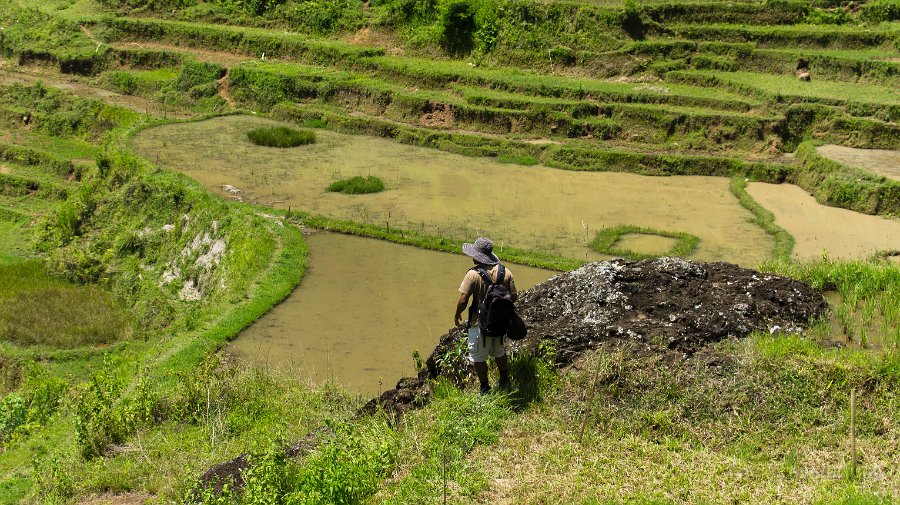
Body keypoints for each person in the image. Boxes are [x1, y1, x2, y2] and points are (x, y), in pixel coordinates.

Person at [454, 237, 518, 394]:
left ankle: (484, 387)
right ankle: (504, 380)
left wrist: (457, 314)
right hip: (500, 322)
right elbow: (514, 296)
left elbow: (463, 299)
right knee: (499, 351)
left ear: (476, 256)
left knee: (478, 357)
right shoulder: (506, 272)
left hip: (479, 323)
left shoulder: (473, 275)